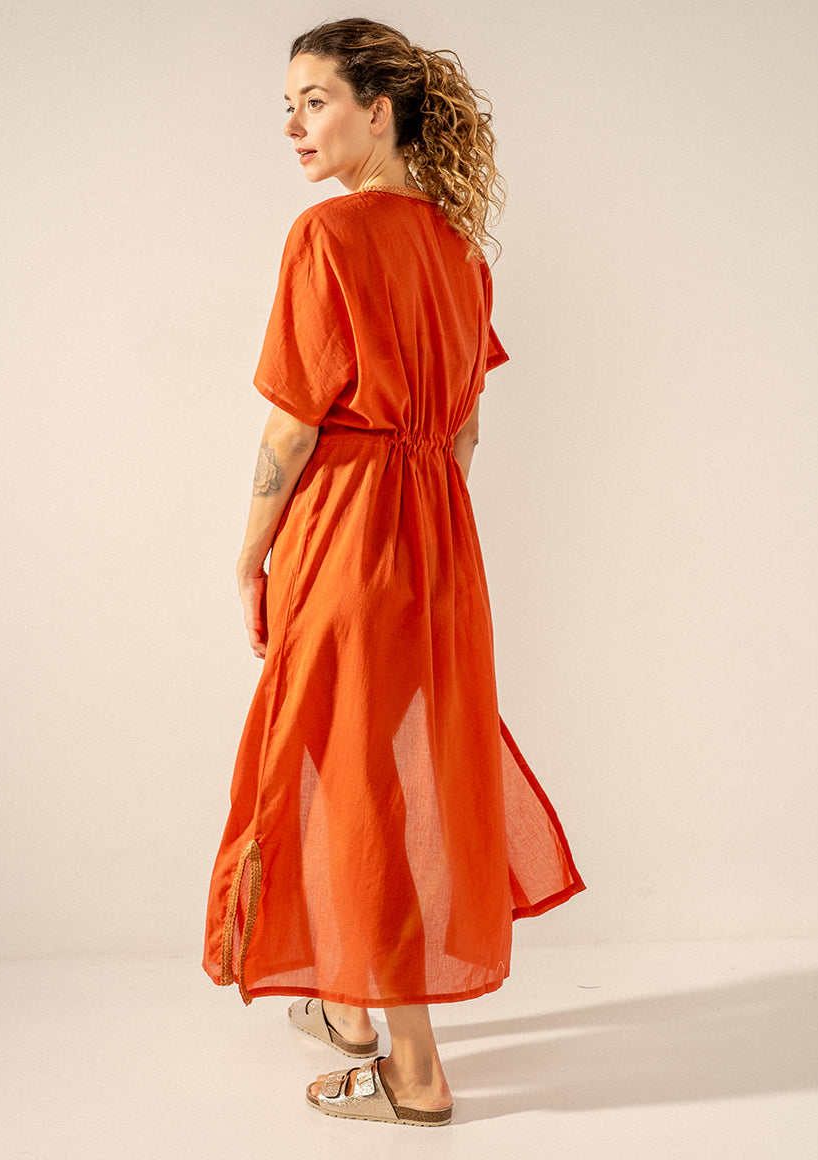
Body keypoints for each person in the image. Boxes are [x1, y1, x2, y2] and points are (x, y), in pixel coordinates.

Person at [203, 17, 584, 1126]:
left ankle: (413, 1070)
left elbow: (291, 427)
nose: (294, 126)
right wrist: (424, 527)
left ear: (378, 111)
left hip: (345, 530)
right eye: (287, 106)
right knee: (383, 761)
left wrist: (250, 554)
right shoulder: (459, 251)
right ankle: (348, 1006)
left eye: (314, 100)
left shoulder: (327, 235)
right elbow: (464, 433)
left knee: (351, 781)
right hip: (436, 539)